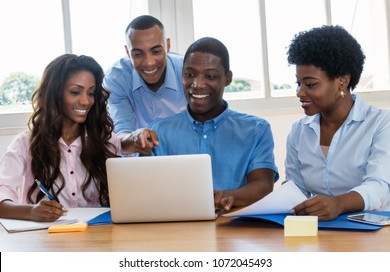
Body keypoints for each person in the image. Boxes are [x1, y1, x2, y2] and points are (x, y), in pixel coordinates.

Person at [149, 37, 279, 212]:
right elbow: (147, 190)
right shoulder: (159, 130)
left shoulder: (256, 130)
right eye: (189, 74)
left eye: (210, 76)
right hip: (175, 229)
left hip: (233, 228)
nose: (197, 84)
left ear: (227, 78)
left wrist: (228, 196)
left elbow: (263, 185)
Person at [0, 54, 134, 222]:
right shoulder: (25, 143)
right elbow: (2, 193)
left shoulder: (107, 141)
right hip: (45, 239)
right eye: (75, 92)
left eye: (91, 93)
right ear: (54, 93)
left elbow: (126, 197)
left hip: (97, 235)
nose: (86, 101)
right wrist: (31, 211)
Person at [285, 25, 390, 221]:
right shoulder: (299, 131)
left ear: (342, 81)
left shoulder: (381, 123)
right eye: (298, 83)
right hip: (318, 230)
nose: (300, 92)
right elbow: (294, 188)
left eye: (310, 84)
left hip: (373, 230)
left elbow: (379, 187)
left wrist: (337, 204)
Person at [104, 15, 187, 155]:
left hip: (185, 156)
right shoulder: (116, 79)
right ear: (127, 52)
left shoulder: (187, 72)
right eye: (137, 54)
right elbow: (121, 133)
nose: (149, 62)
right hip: (140, 162)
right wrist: (133, 137)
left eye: (156, 51)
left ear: (167, 45)